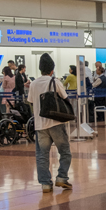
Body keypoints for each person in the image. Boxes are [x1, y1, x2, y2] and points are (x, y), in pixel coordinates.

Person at [28, 53, 72, 193]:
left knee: (42, 155)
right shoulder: (55, 82)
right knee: (65, 152)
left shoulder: (33, 84)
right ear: (52, 69)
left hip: (40, 125)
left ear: (40, 69)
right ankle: (62, 177)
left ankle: (46, 184)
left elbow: (31, 102)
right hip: (56, 123)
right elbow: (65, 97)